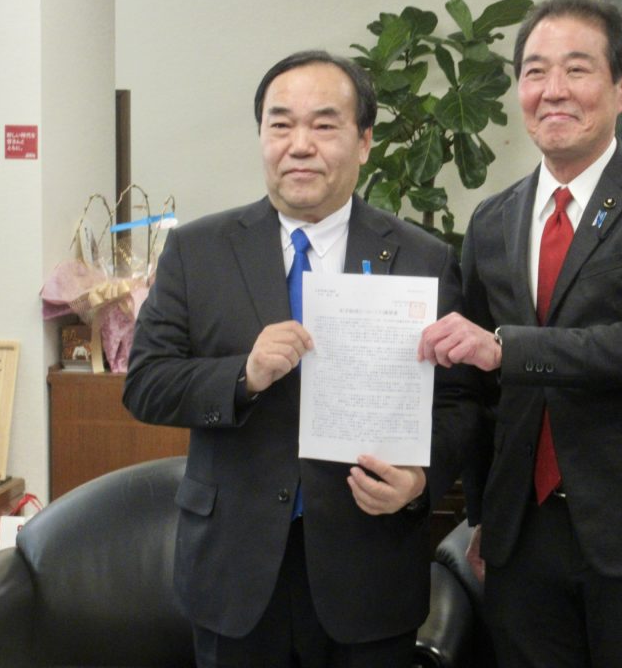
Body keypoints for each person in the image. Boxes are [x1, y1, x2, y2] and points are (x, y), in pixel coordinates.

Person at [123, 50, 476, 668]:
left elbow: (460, 402)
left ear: (364, 141)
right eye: (280, 124)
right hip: (235, 570)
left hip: (369, 572)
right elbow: (146, 383)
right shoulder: (197, 251)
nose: (299, 145)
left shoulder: (423, 257)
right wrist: (243, 375)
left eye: (324, 125)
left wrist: (421, 481)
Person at [418, 0, 622, 668]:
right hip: (522, 532)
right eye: (535, 71)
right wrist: (485, 513)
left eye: (577, 69)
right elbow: (474, 388)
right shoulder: (493, 220)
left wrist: (506, 348)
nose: (552, 90)